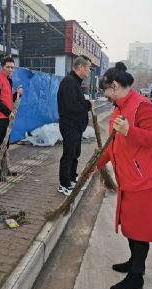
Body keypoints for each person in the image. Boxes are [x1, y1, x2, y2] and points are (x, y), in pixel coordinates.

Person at [91, 62, 152, 289]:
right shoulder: (119, 107)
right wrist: (95, 166)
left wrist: (130, 132)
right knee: (130, 226)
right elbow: (111, 144)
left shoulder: (142, 107)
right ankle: (134, 262)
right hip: (129, 178)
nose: (104, 94)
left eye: (105, 90)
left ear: (114, 86)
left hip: (145, 180)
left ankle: (136, 276)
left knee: (140, 230)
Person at [57, 55, 94, 195]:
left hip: (76, 126)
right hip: (69, 125)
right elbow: (72, 105)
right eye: (88, 68)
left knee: (75, 153)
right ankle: (64, 184)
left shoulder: (76, 82)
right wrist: (87, 105)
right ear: (80, 67)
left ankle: (72, 178)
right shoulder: (69, 82)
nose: (89, 71)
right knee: (68, 154)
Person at [0, 57, 23, 179]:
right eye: (8, 67)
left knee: (5, 145)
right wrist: (8, 111)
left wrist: (17, 94)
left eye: (12, 67)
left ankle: (4, 169)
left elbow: (8, 99)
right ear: (1, 67)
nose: (10, 69)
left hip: (6, 117)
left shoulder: (9, 80)